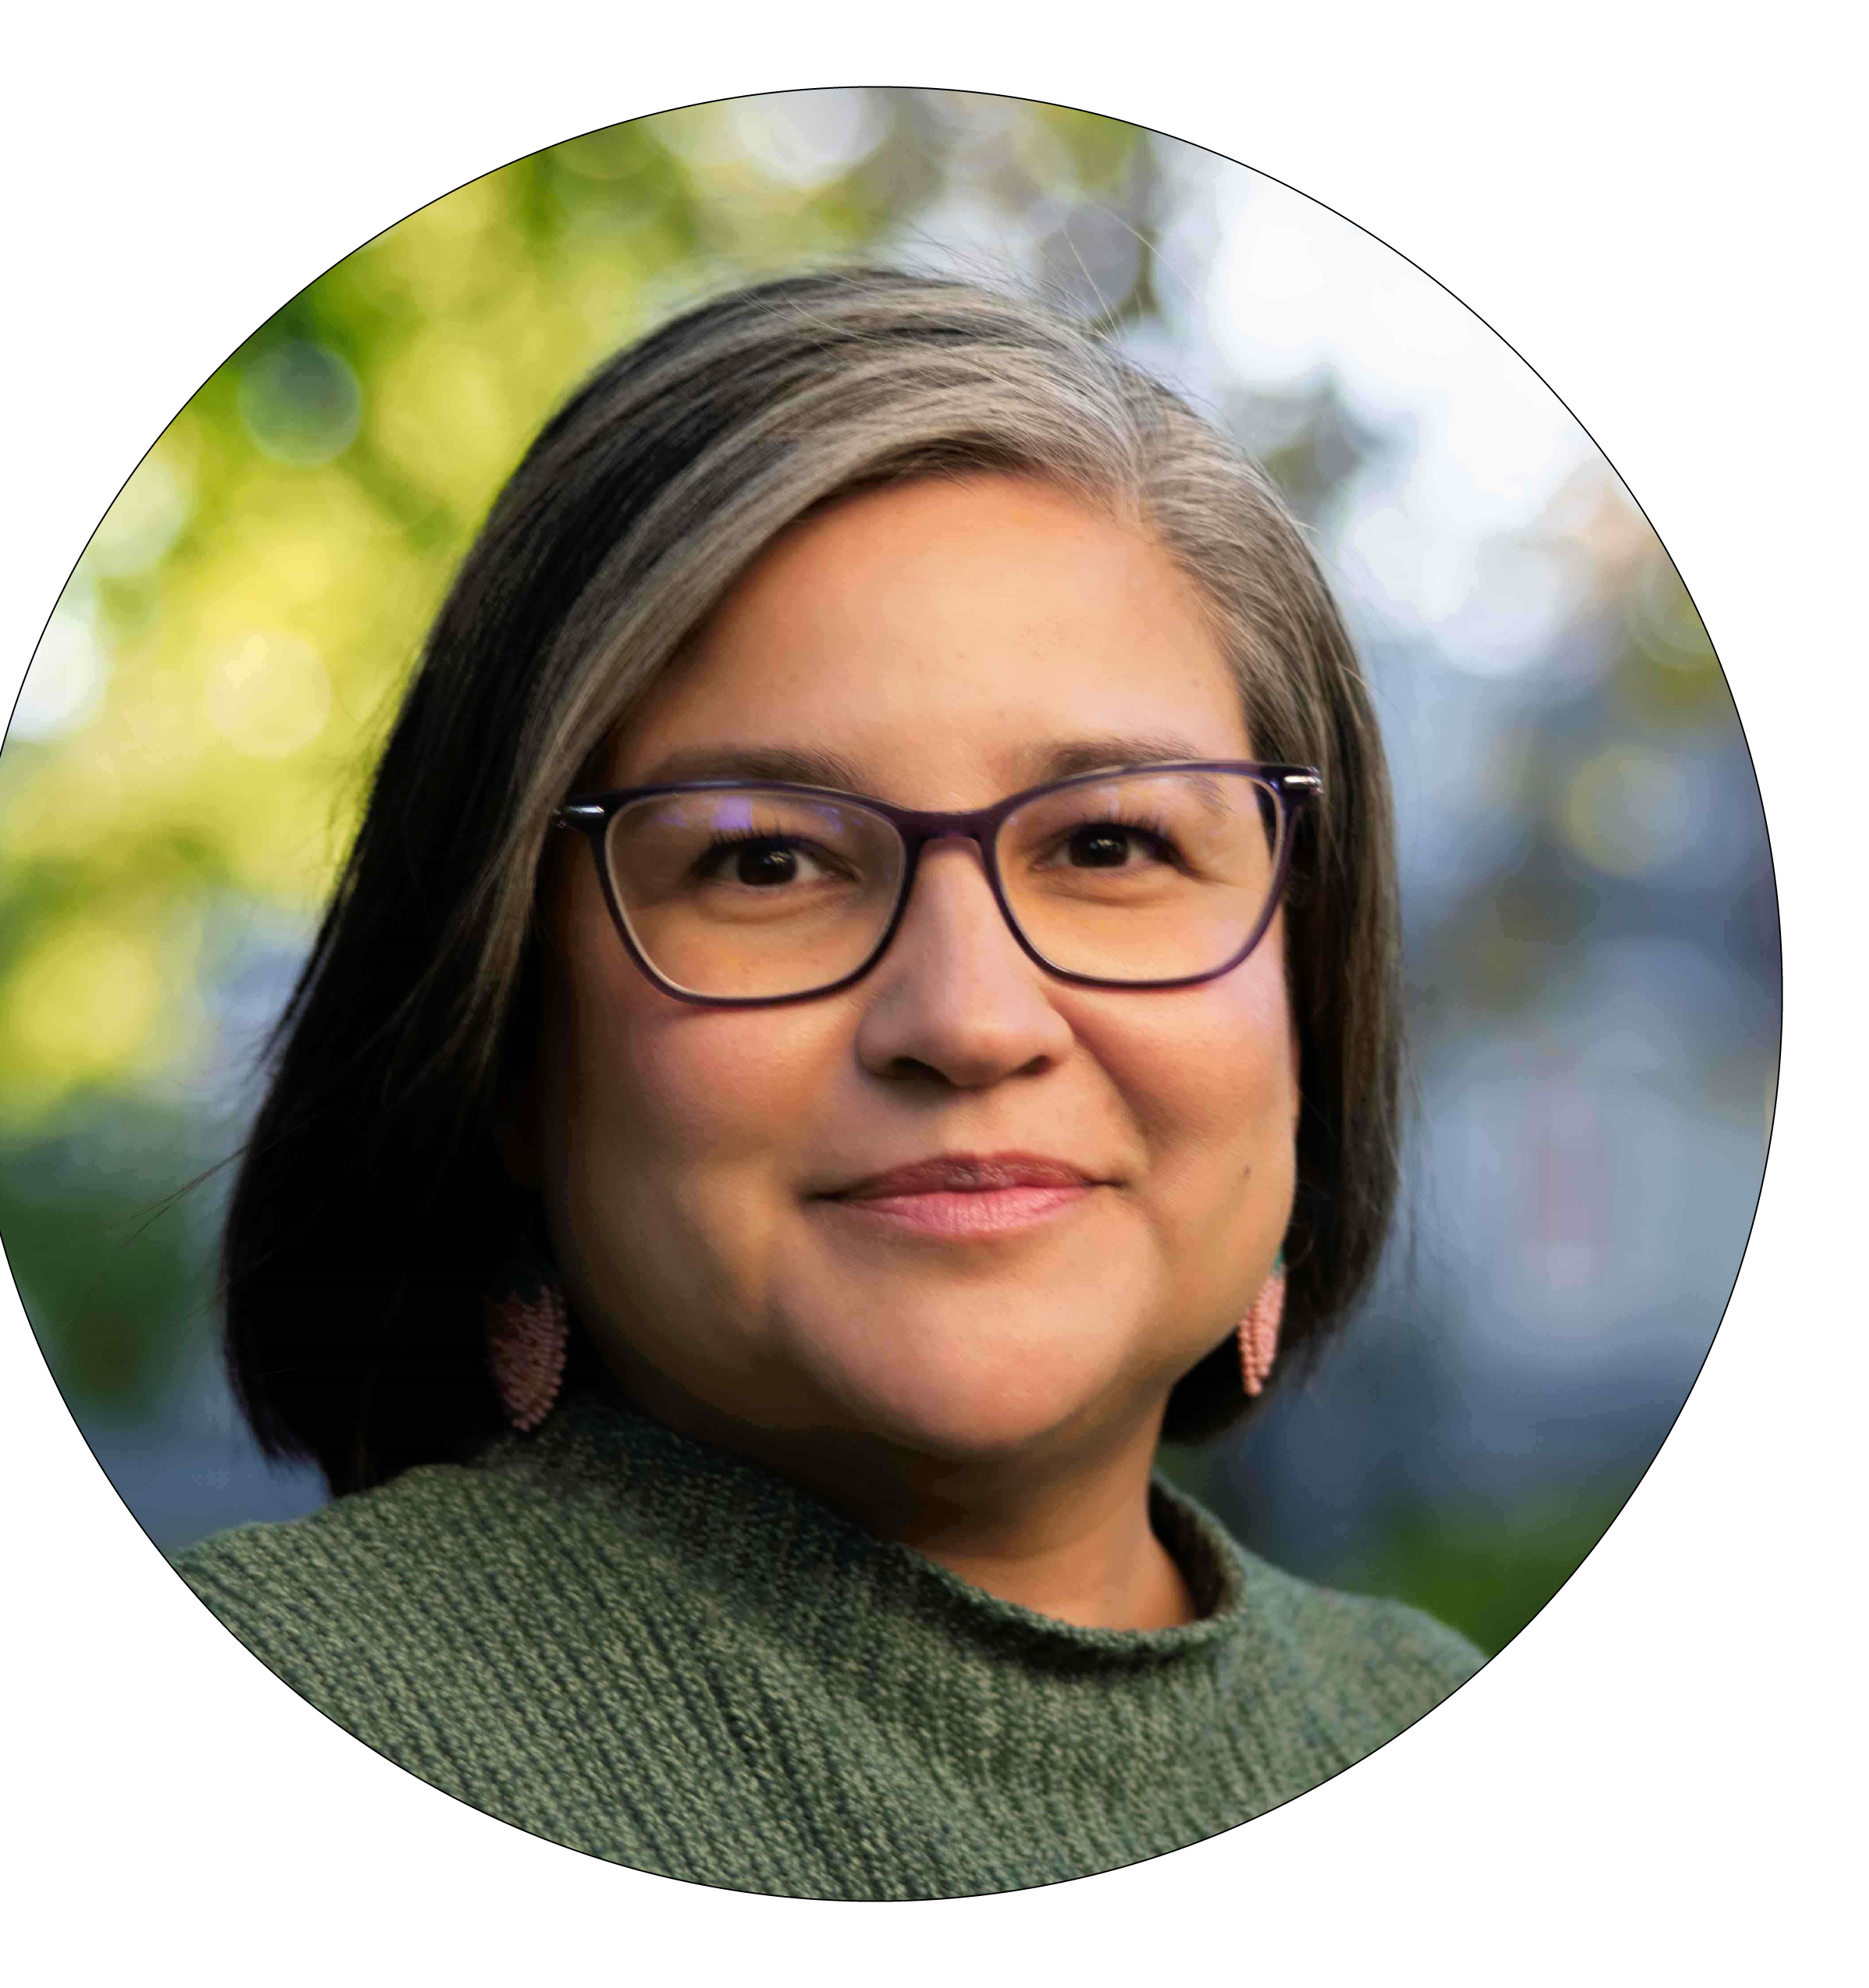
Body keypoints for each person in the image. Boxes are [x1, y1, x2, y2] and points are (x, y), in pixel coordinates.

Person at [172, 267, 1483, 1901]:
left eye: (1112, 843)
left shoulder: (1459, 1740)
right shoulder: (240, 1758)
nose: (969, 1015)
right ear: (509, 1029)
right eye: (768, 861)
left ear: (1311, 989)